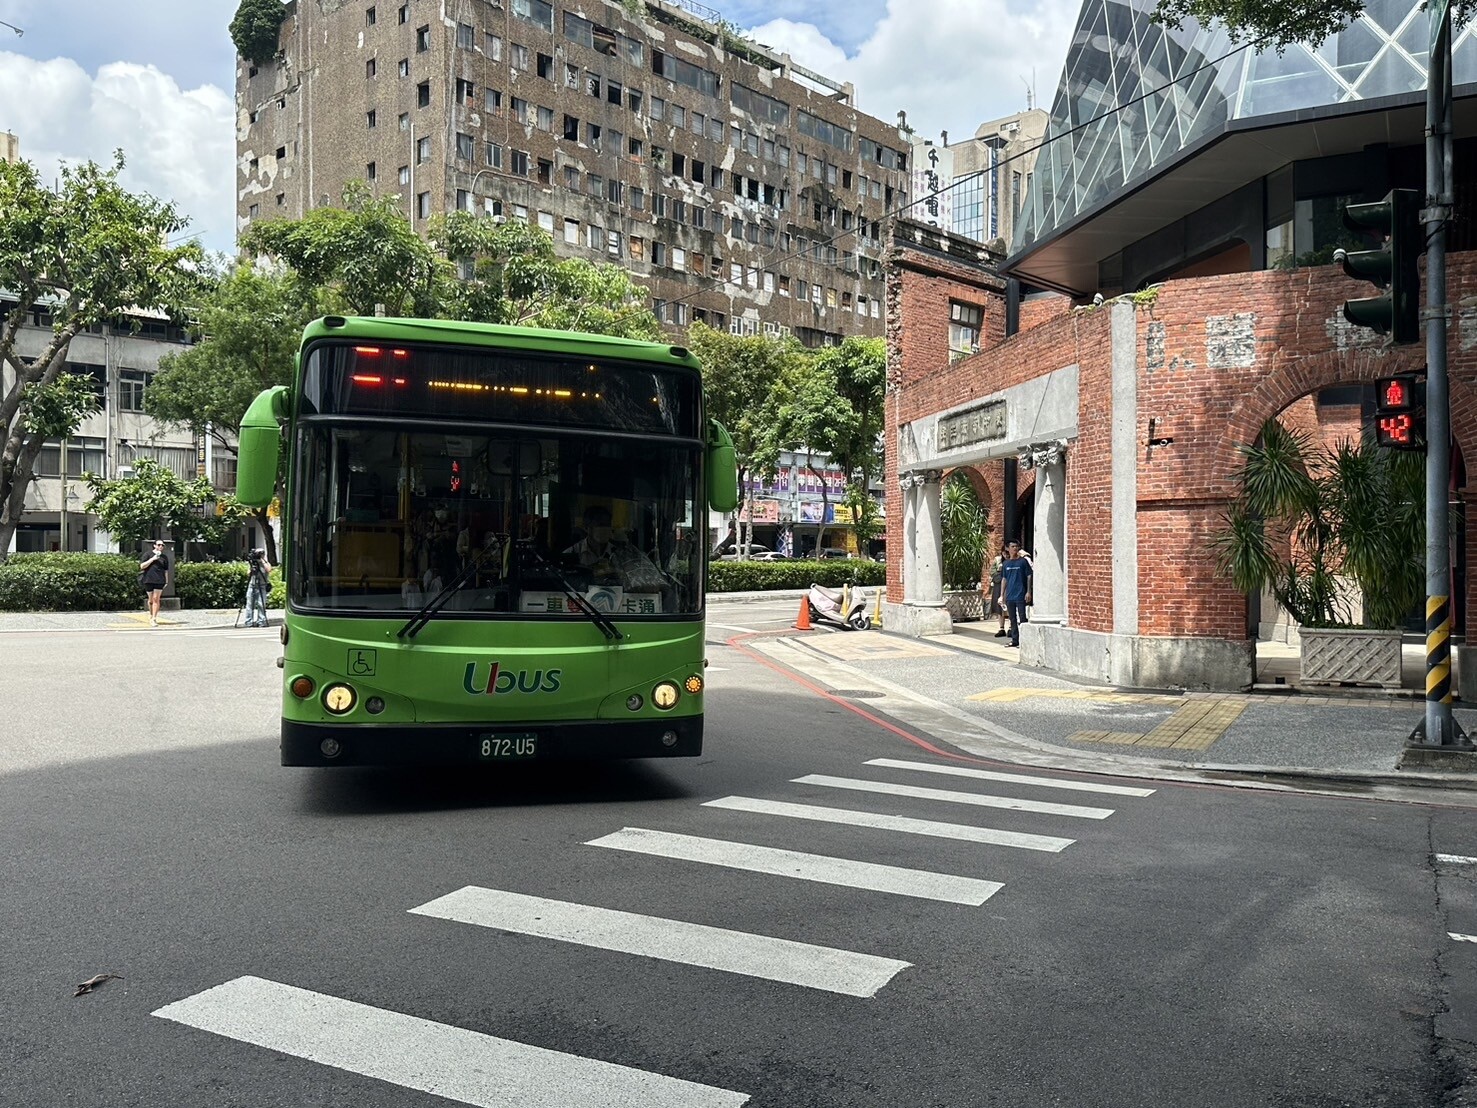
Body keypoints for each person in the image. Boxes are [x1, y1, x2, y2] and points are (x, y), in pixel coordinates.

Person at [564, 504, 663, 591]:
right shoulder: (571, 552)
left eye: (607, 525)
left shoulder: (623, 552)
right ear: (586, 528)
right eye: (600, 525)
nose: (605, 529)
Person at [996, 540, 1033, 648]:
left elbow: (1029, 576)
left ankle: (1025, 640)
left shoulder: (1023, 561)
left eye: (1016, 546)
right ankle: (1015, 640)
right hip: (1010, 595)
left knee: (1022, 618)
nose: (1015, 548)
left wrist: (1028, 591)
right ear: (1007, 548)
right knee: (1012, 618)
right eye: (1012, 546)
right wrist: (1002, 595)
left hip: (1021, 593)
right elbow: (1004, 579)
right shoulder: (1006, 563)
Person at [139, 540, 169, 628]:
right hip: (148, 579)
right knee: (151, 600)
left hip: (160, 580)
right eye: (159, 545)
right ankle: (151, 614)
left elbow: (166, 570)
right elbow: (142, 566)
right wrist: (153, 559)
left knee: (156, 599)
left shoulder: (164, 557)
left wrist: (166, 581)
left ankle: (154, 618)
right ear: (154, 546)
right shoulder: (147, 554)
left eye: (162, 545)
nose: (161, 547)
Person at [244, 548, 271, 627]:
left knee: (261, 604)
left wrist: (262, 560)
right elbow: (248, 574)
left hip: (262, 586)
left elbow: (269, 569)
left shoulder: (265, 563)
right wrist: (252, 568)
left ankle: (261, 622)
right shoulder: (253, 563)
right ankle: (249, 622)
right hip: (252, 586)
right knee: (249, 605)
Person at [989, 543, 1008, 637]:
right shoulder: (997, 560)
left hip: (1010, 586)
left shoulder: (1014, 560)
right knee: (1000, 607)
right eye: (1005, 552)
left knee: (1010, 606)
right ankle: (1001, 628)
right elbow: (992, 572)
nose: (1006, 554)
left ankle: (1011, 628)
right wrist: (1000, 576)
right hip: (999, 585)